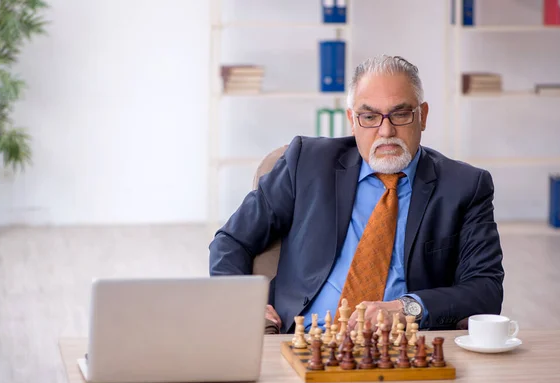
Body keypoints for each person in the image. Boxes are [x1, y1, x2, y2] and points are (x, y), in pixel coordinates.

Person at [209, 55, 504, 334]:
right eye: (369, 116)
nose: (386, 131)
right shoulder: (306, 162)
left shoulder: (465, 186)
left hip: (398, 349)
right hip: (300, 339)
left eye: (400, 114)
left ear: (422, 116)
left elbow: (486, 289)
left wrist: (407, 308)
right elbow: (232, 241)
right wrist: (243, 303)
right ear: (352, 119)